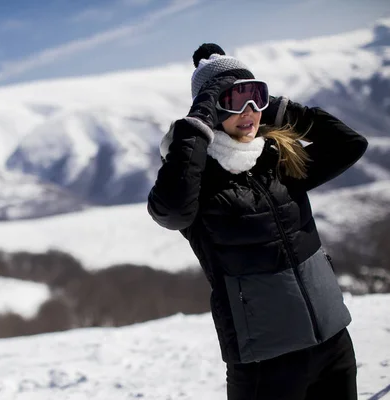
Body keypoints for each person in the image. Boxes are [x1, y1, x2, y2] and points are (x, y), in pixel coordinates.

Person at [147, 43, 368, 400]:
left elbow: (349, 144)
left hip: (333, 341)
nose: (249, 110)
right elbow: (169, 211)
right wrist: (195, 126)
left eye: (256, 96)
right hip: (266, 360)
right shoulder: (199, 182)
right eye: (234, 100)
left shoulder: (278, 162)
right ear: (211, 109)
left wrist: (281, 109)